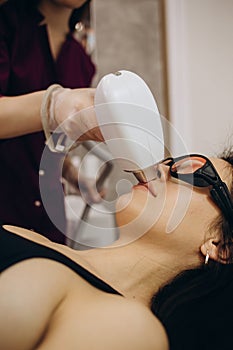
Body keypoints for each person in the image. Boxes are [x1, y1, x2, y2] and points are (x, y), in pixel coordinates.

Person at [0, 141, 233, 349]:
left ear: (222, 246)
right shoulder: (27, 236)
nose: (160, 168)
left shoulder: (134, 331)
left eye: (193, 172)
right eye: (169, 163)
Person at [0, 0, 98, 244]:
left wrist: (71, 172)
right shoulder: (7, 25)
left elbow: (52, 142)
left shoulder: (80, 60)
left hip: (48, 214)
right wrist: (51, 105)